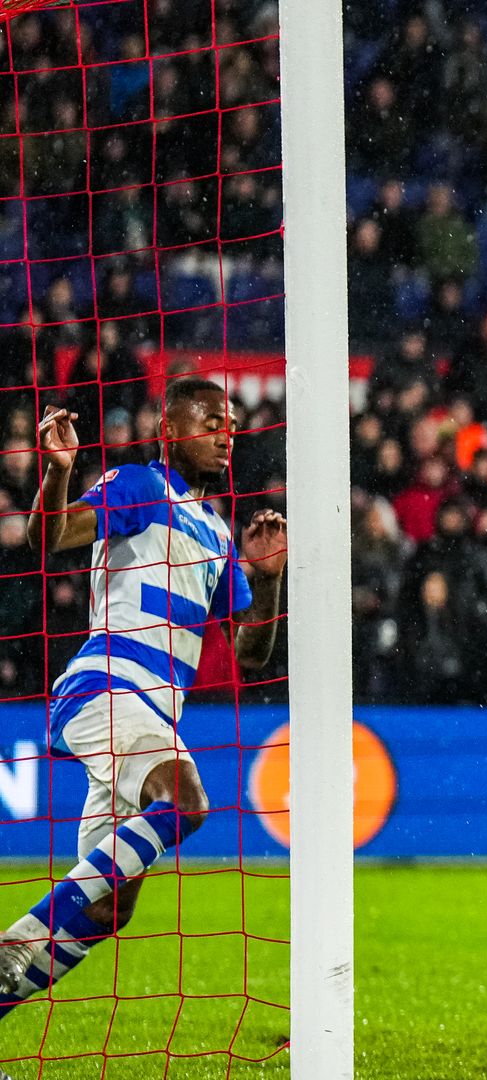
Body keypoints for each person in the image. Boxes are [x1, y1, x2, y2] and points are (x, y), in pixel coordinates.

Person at [1, 381, 287, 1014]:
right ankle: (15, 941)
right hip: (105, 687)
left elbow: (251, 653)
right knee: (185, 800)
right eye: (209, 419)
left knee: (108, 908)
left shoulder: (215, 531)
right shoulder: (139, 485)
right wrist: (57, 472)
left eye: (230, 422)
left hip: (147, 716)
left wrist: (267, 581)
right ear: (169, 428)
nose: (224, 432)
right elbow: (46, 540)